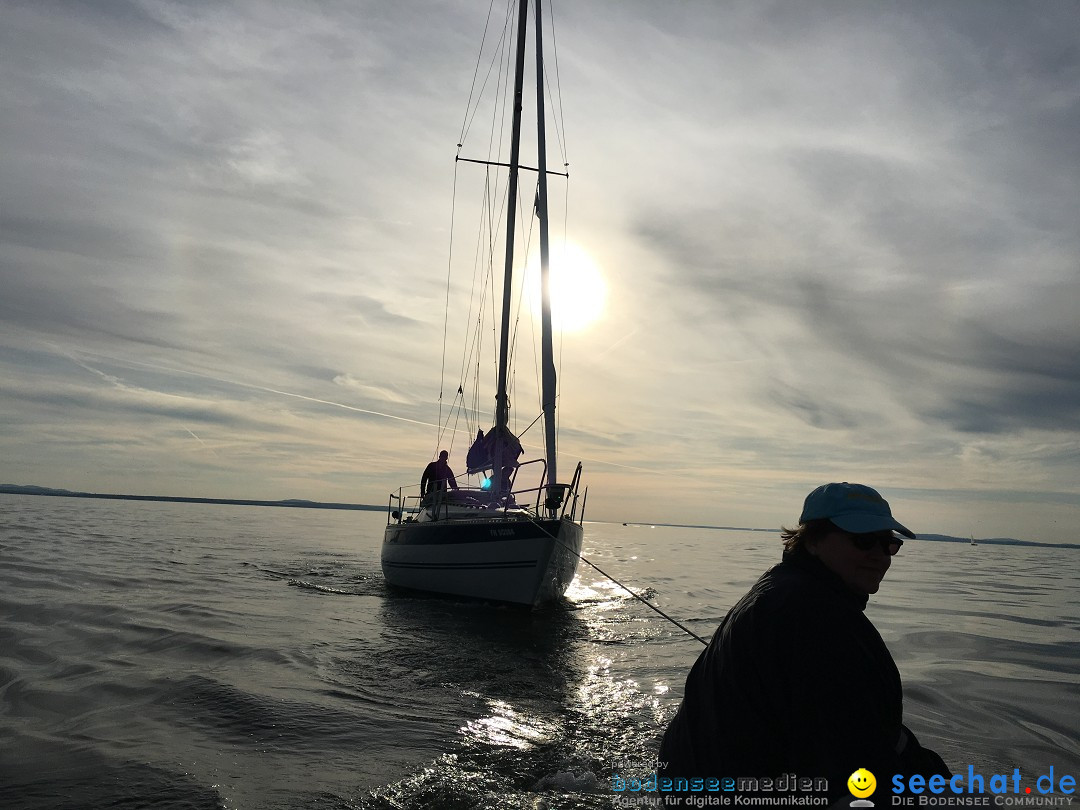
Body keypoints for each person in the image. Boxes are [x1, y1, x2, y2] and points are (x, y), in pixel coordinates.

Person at [657, 482, 951, 805]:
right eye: (864, 540)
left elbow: (861, 728)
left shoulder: (779, 585)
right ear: (812, 540)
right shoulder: (816, 618)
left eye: (888, 544)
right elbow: (848, 762)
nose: (880, 556)